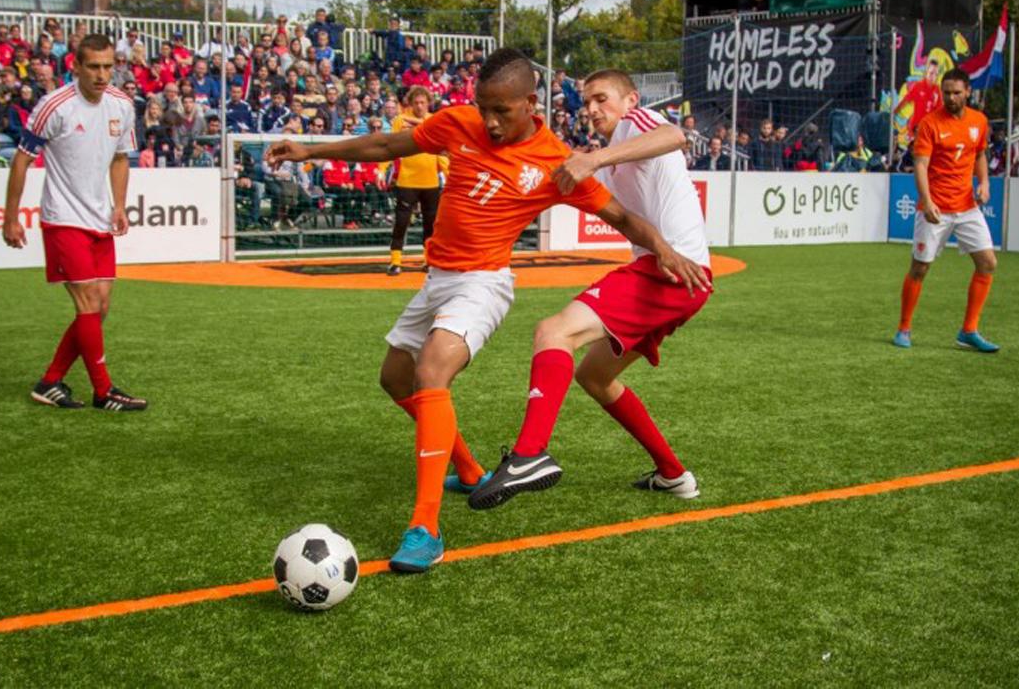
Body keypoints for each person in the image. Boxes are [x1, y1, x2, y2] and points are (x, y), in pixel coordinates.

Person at [266, 48, 702, 574]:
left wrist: (664, 247)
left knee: (434, 370)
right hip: (437, 281)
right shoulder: (457, 122)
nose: (490, 123)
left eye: (502, 111)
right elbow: (386, 143)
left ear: (530, 103)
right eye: (484, 108)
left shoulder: (552, 160)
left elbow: (623, 217)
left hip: (483, 284)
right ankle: (470, 470)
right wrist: (310, 151)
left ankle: (425, 528)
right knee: (396, 380)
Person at [467, 69, 711, 510]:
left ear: (631, 100)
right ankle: (674, 475)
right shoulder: (614, 156)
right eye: (587, 102)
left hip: (669, 274)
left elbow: (675, 134)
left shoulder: (636, 125)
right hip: (676, 277)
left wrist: (594, 160)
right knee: (595, 377)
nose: (592, 109)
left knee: (552, 332)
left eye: (602, 99)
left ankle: (528, 455)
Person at [1, 33, 147, 411]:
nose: (102, 75)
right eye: (94, 67)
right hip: (63, 218)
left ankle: (50, 381)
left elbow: (119, 158)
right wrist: (11, 217)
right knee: (87, 303)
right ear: (76, 67)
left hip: (99, 217)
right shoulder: (55, 106)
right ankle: (104, 391)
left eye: (108, 67)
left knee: (100, 308)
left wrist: (119, 205)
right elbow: (21, 159)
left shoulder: (122, 104)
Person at [894, 68, 999, 353]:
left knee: (988, 263)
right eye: (946, 92)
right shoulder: (929, 123)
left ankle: (969, 330)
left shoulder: (979, 121)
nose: (950, 98)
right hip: (936, 207)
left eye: (956, 92)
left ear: (968, 92)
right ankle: (904, 327)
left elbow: (979, 154)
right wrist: (926, 201)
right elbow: (920, 165)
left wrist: (985, 183)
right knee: (920, 267)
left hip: (967, 207)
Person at [386, 86, 447, 276]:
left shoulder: (435, 121)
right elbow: (390, 146)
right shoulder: (400, 120)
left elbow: (441, 152)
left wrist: (448, 172)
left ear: (428, 103)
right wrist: (382, 168)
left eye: (423, 102)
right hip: (407, 179)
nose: (420, 106)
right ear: (410, 104)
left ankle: (429, 261)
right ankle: (395, 261)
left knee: (430, 223)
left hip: (430, 180)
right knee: (402, 222)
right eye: (416, 103)